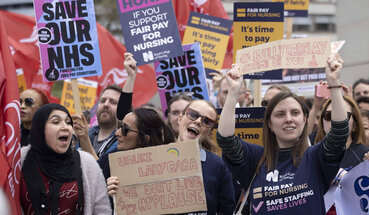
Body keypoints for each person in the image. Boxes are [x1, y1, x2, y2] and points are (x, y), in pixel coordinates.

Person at [217, 55, 349, 214]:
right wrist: (232, 93)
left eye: (295, 113)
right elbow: (226, 140)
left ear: (304, 119)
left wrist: (334, 84)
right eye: (280, 114)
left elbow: (339, 133)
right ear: (269, 124)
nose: (288, 119)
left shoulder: (315, 158)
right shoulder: (256, 159)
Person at [107, 53, 236, 214]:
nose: (197, 121)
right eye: (194, 115)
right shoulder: (153, 156)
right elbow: (125, 119)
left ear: (209, 132)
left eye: (206, 121)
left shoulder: (217, 166)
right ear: (180, 119)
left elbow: (227, 210)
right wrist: (120, 189)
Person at [20, 104, 111, 215]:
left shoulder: (87, 163)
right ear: (40, 128)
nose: (65, 127)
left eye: (68, 122)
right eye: (56, 122)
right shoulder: (19, 160)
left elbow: (102, 210)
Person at [314, 96, 369, 182]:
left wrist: (347, 179)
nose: (335, 121)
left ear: (355, 125)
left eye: (343, 116)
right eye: (328, 115)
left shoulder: (367, 155)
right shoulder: (312, 155)